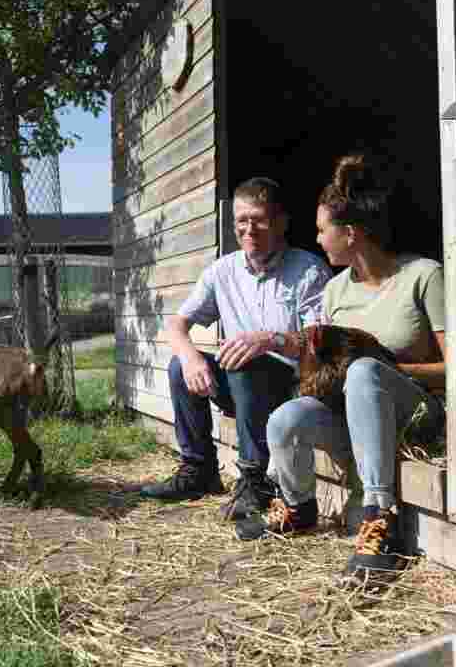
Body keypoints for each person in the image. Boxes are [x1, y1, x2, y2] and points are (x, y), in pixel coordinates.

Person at [235, 153, 447, 588]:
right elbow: (328, 367)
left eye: (321, 229)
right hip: (353, 415)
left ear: (350, 233)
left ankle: (379, 516)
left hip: (414, 413)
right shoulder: (334, 291)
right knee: (286, 418)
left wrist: (385, 369)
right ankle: (297, 507)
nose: (317, 239)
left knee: (366, 371)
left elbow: (455, 368)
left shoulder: (423, 276)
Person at [140, 177, 332, 521]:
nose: (249, 229)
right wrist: (191, 357)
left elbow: (321, 342)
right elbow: (176, 325)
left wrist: (267, 339)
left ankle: (256, 482)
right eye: (241, 220)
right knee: (180, 367)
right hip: (241, 387)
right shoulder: (222, 271)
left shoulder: (308, 270)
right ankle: (199, 469)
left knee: (244, 357)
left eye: (259, 219)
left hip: (291, 389)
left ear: (281, 222)